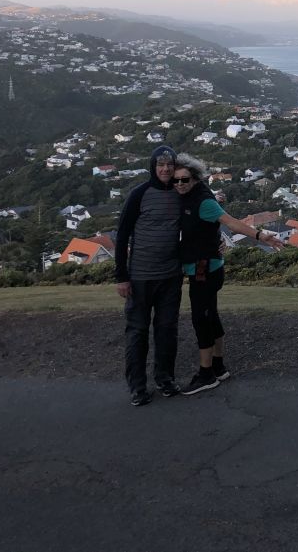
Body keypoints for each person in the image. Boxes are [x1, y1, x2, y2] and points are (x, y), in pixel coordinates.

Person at [172, 153, 263, 395]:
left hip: (205, 269)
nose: (180, 184)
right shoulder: (187, 196)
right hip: (206, 265)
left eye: (185, 179)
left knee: (200, 319)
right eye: (176, 180)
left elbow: (231, 222)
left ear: (195, 178)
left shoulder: (203, 201)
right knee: (210, 314)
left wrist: (261, 236)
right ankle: (219, 366)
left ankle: (206, 373)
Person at [115, 145, 184, 406]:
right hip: (140, 276)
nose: (165, 169)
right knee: (137, 331)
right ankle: (137, 386)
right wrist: (121, 275)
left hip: (170, 276)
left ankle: (165, 378)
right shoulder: (139, 194)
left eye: (169, 164)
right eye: (160, 165)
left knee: (167, 329)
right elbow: (122, 235)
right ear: (153, 167)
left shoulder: (180, 191)